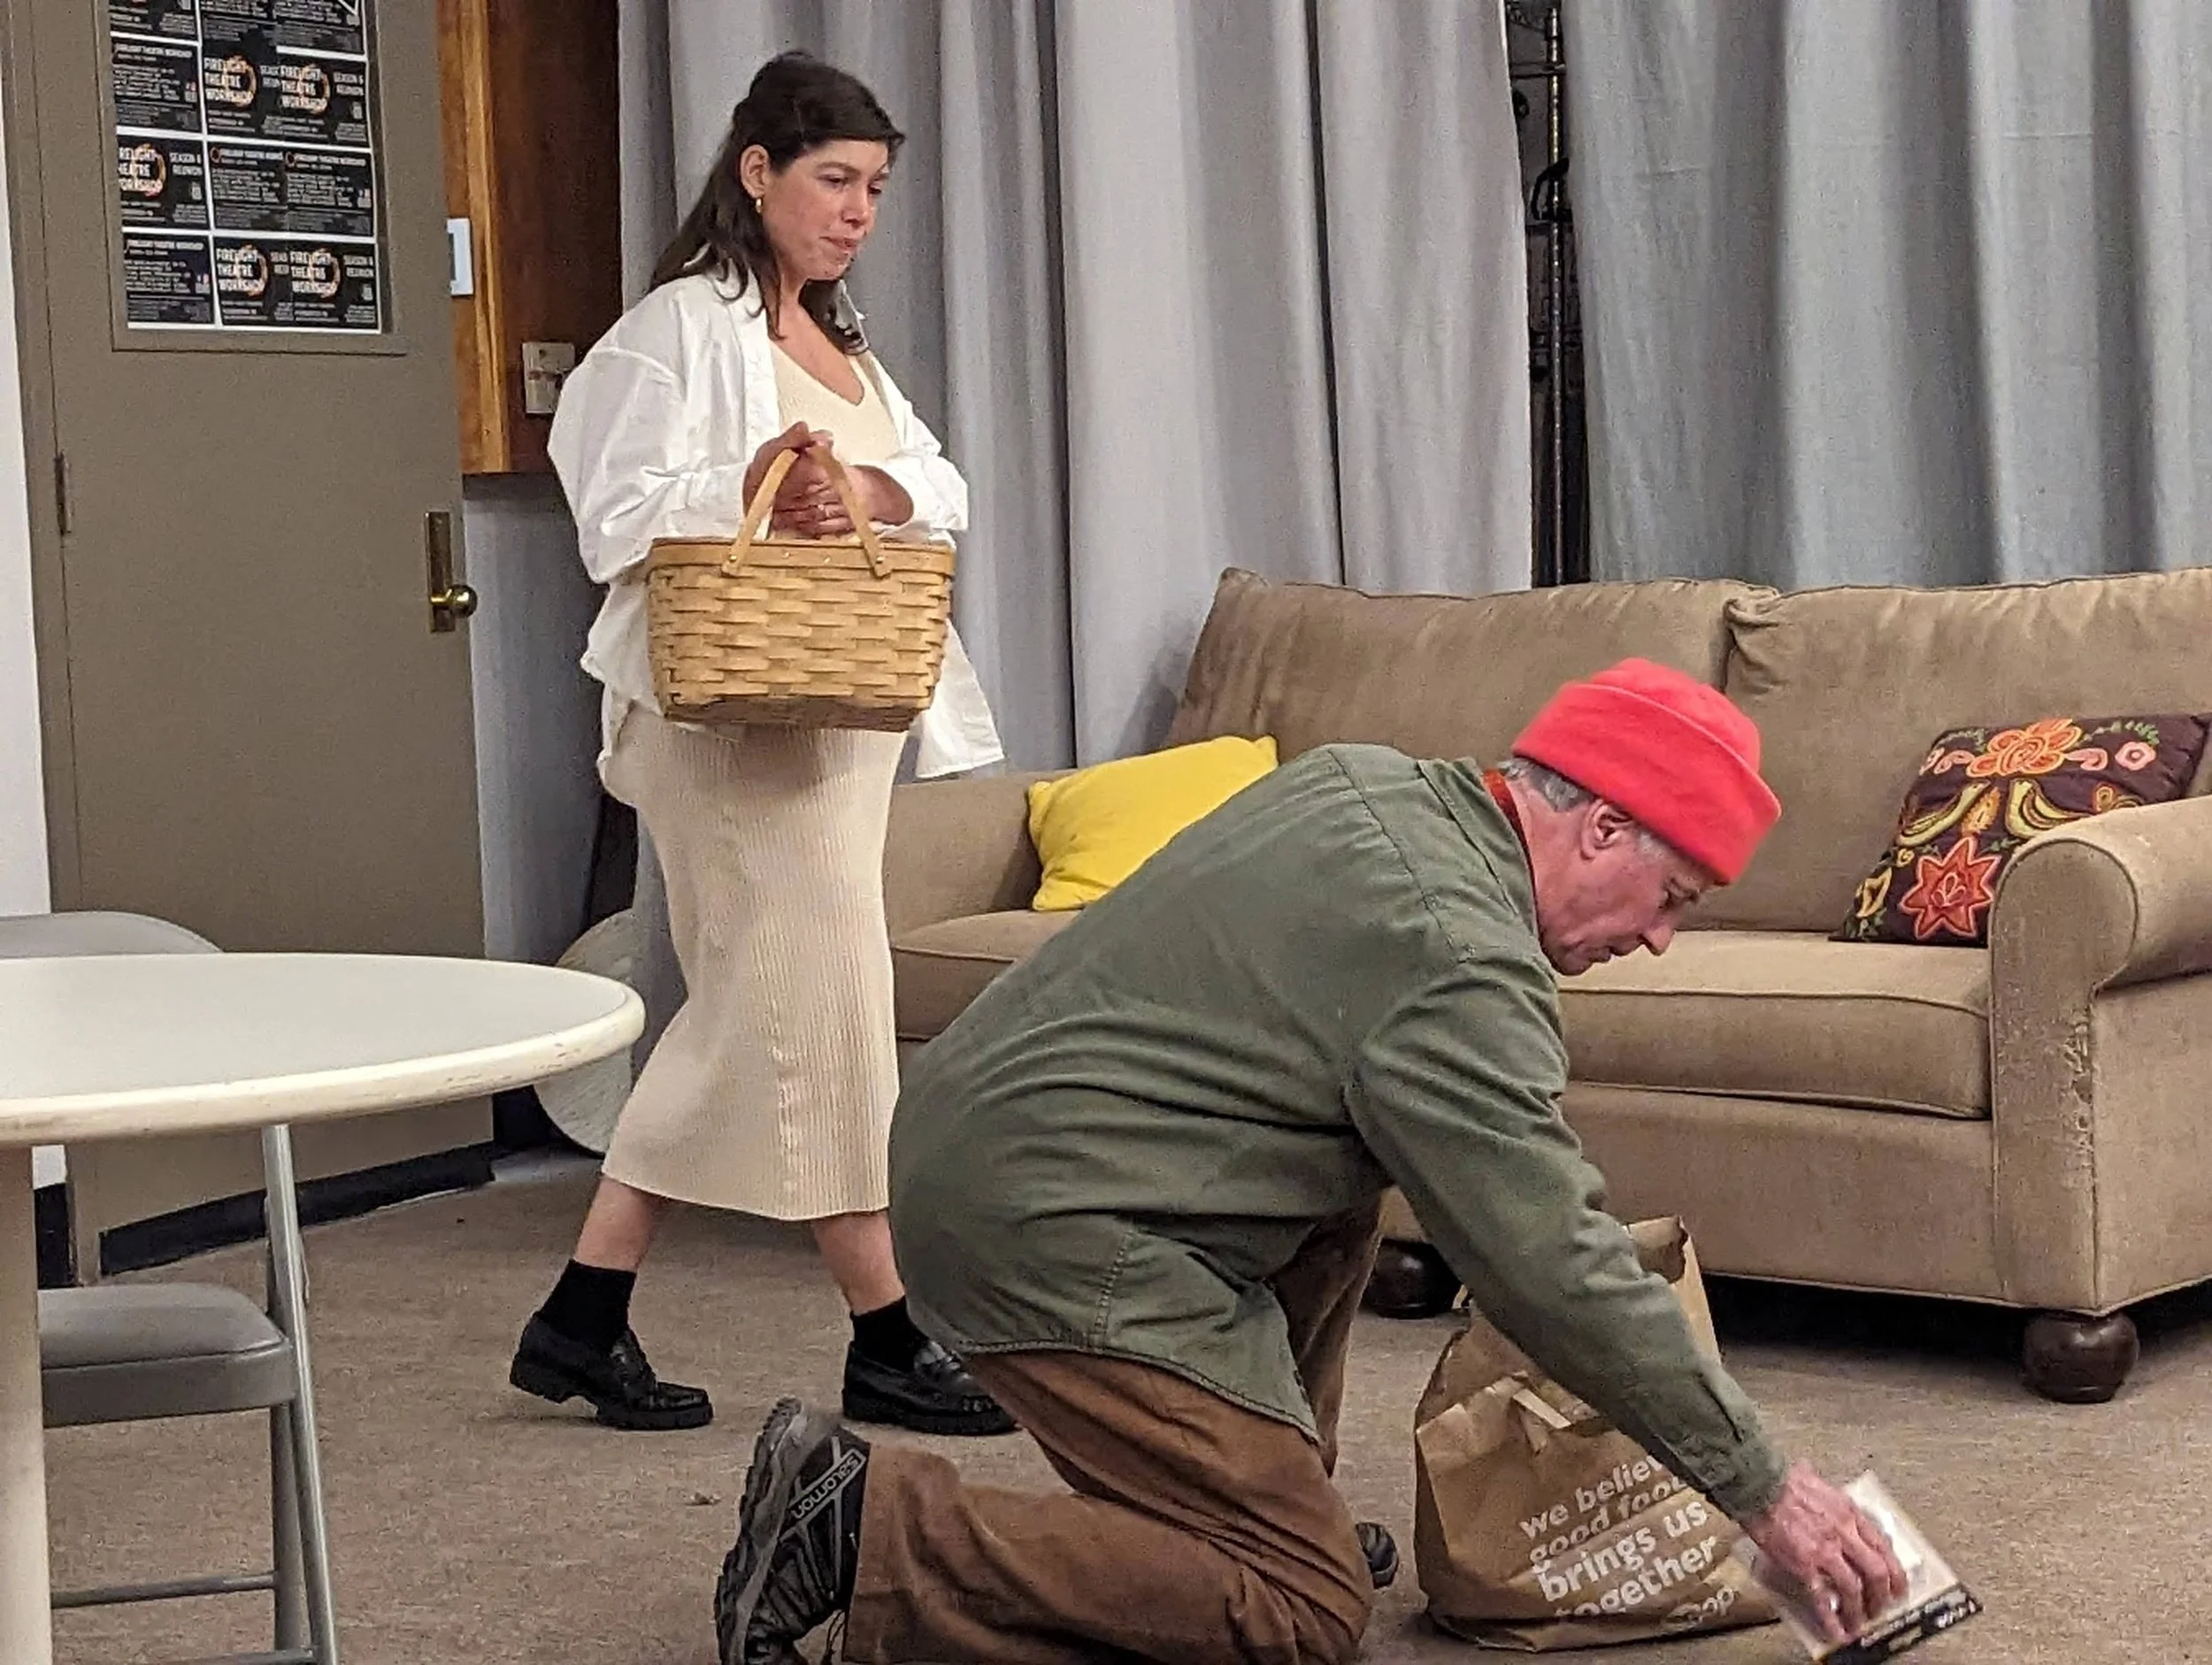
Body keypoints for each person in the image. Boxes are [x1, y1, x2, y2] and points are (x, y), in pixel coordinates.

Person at [710, 659, 1910, 1665]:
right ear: (1600, 826)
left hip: (996, 1148)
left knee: (1348, 1181)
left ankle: (1256, 1497)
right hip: (1043, 1224)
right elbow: (1550, 1261)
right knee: (1302, 1610)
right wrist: (1762, 1484)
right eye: (1672, 896)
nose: (1658, 938)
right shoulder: (1458, 956)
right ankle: (869, 1524)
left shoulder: (1369, 782)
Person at [506, 52, 1014, 1440]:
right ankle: (887, 1334)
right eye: (835, 180)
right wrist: (745, 481)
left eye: (876, 189)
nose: (859, 212)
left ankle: (582, 1316)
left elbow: (944, 485)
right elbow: (609, 502)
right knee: (824, 1001)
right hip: (718, 720)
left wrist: (862, 482)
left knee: (751, 1009)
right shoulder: (677, 328)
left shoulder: (844, 347)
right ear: (758, 173)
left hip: (833, 715)